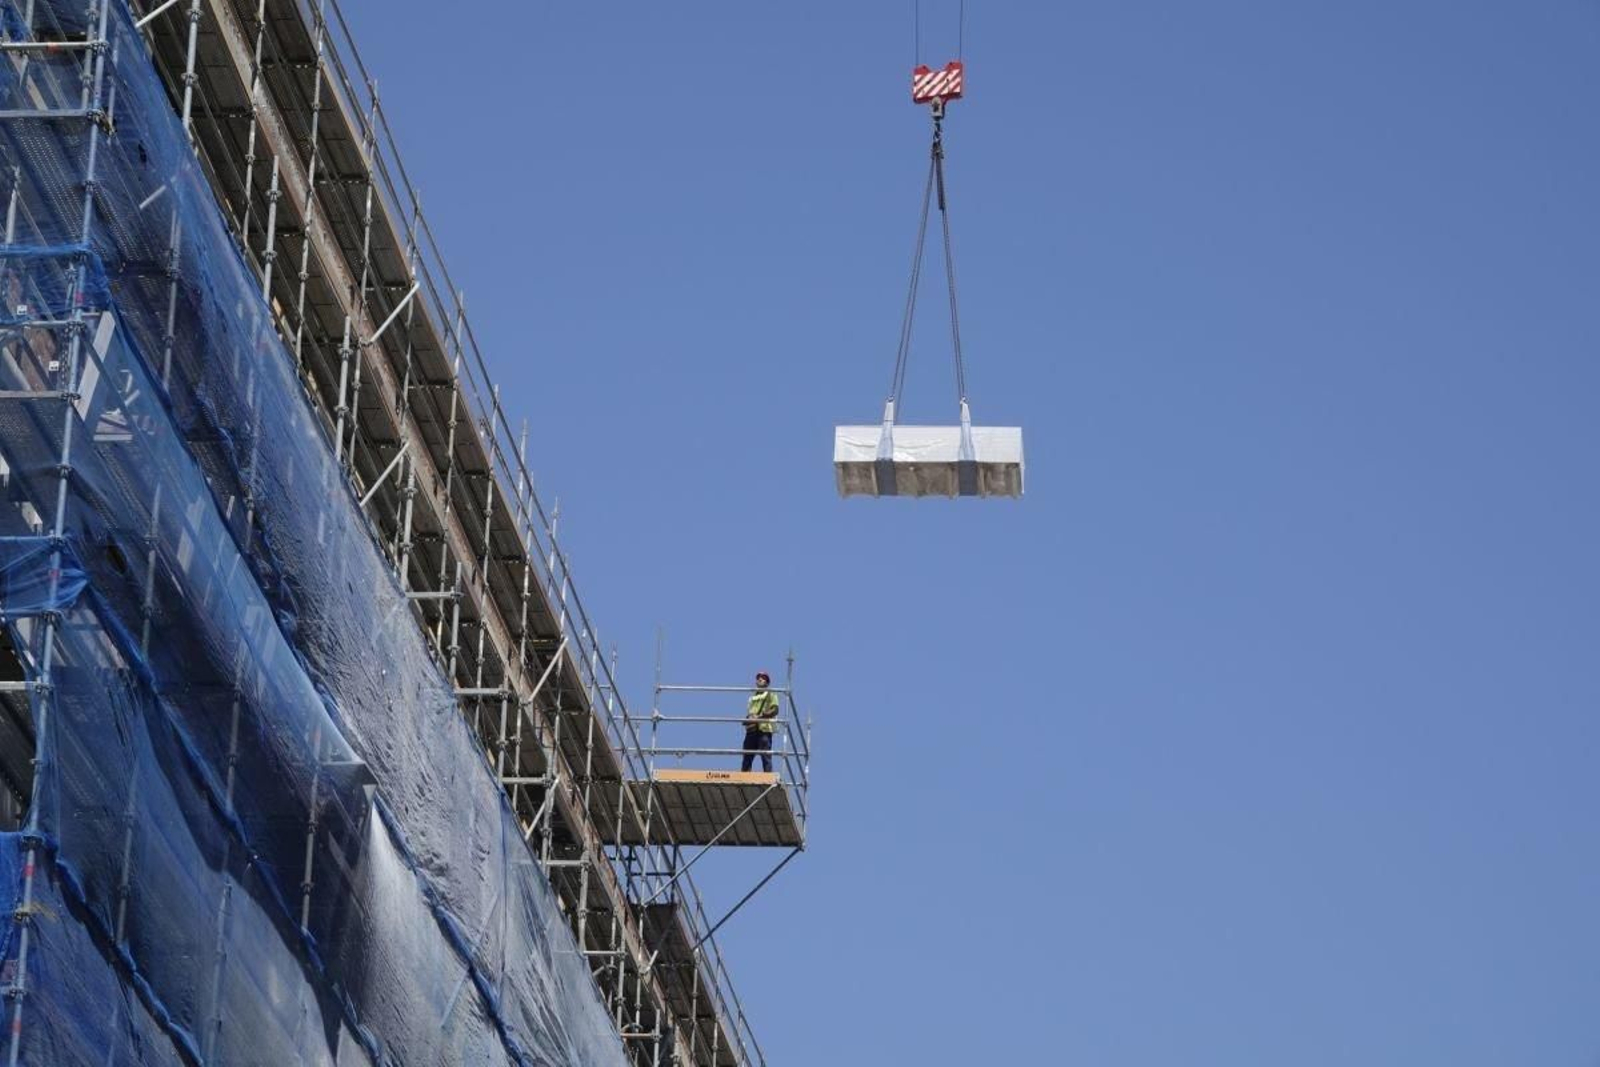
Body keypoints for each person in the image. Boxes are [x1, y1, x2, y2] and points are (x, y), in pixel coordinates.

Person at [741, 671, 780, 773]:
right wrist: (747, 720)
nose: (760, 679)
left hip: (764, 729)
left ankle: (767, 778)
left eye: (763, 678)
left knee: (765, 756)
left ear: (767, 682)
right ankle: (744, 779)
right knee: (747, 757)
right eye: (758, 678)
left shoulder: (770, 694)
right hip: (751, 730)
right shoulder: (752, 698)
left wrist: (760, 716)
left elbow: (775, 710)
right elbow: (750, 713)